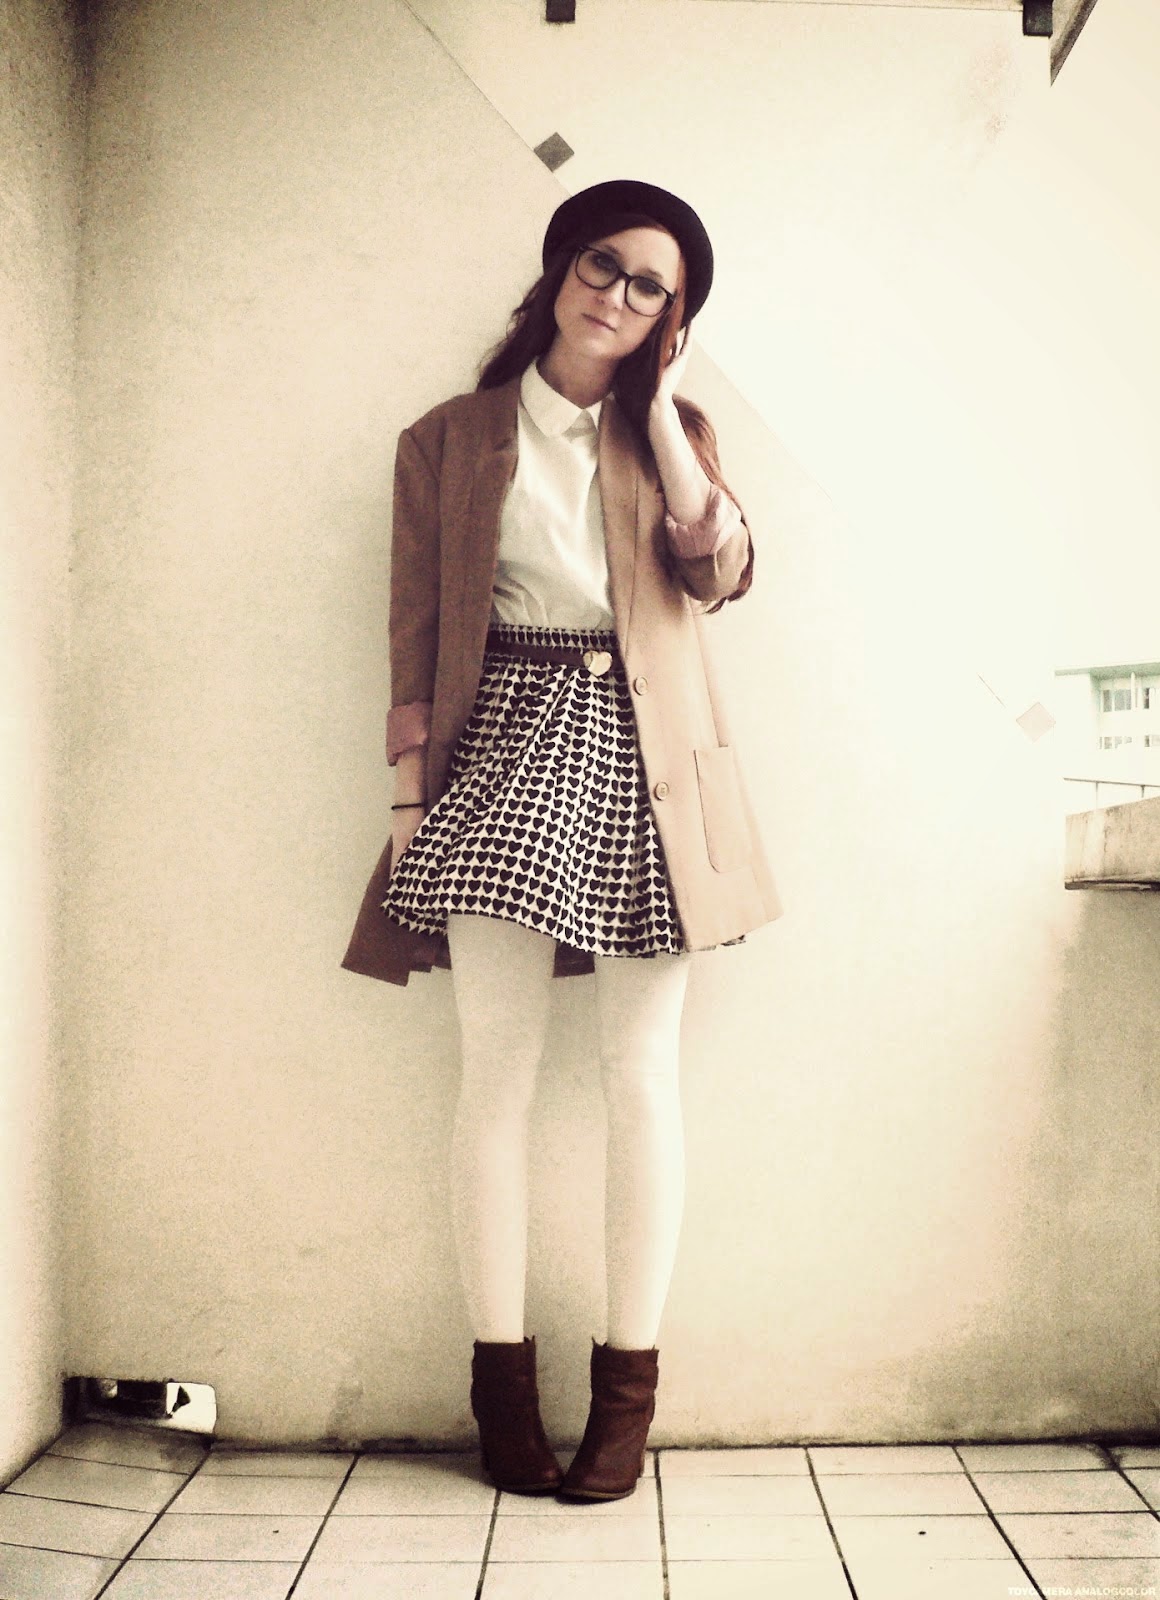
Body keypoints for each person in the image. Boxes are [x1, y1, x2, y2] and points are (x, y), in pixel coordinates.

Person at [343, 178, 780, 1501]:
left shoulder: (673, 432)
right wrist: (410, 805)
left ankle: (627, 1397)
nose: (620, 296)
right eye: (605, 264)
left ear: (672, 320)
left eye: (654, 288)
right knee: (496, 1073)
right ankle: (502, 1393)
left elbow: (722, 573)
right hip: (503, 753)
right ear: (559, 269)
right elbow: (416, 634)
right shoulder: (447, 439)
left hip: (652, 767)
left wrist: (662, 416)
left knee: (642, 1075)